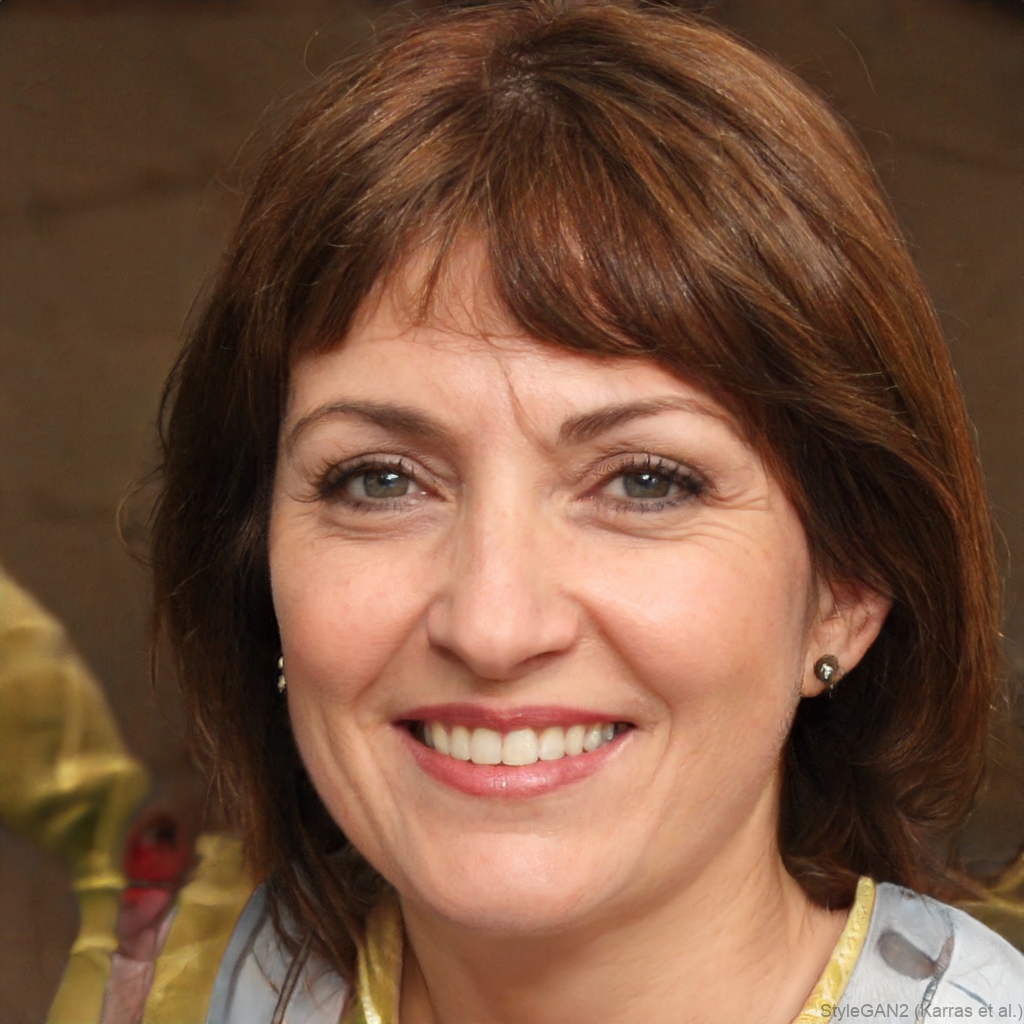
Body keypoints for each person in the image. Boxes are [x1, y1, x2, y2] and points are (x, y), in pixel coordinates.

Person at [140, 1, 1023, 1019]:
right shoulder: (215, 980)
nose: (493, 625)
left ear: (846, 588)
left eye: (645, 481)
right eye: (381, 480)